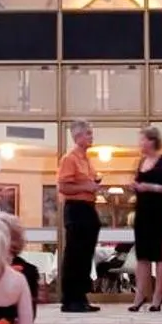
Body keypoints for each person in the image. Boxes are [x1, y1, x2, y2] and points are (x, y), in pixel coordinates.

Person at [127, 128, 162, 312]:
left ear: (152, 141)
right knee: (142, 255)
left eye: (142, 140)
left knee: (158, 254)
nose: (140, 144)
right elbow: (140, 185)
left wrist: (151, 187)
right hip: (142, 211)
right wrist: (136, 187)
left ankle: (158, 294)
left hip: (160, 212)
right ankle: (140, 294)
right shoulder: (141, 162)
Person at [56, 121, 101, 312]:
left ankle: (81, 297)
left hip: (89, 207)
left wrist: (94, 184)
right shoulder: (69, 158)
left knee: (85, 254)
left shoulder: (87, 159)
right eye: (88, 134)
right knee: (75, 253)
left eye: (91, 133)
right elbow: (63, 186)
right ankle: (70, 299)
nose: (91, 137)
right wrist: (86, 186)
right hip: (76, 209)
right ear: (78, 137)